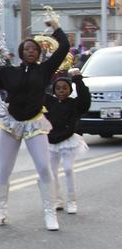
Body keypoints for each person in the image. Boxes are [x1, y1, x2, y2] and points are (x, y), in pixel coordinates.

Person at [0, 23, 70, 230]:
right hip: (11, 123)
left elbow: (63, 48)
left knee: (44, 168)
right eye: (27, 48)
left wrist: (56, 28)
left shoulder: (45, 70)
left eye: (34, 49)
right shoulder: (9, 72)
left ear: (38, 54)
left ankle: (50, 213)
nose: (30, 51)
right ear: (21, 52)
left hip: (34, 122)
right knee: (4, 170)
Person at [45, 71, 90, 215]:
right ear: (54, 90)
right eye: (58, 88)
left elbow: (85, 100)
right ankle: (57, 200)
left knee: (68, 169)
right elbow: (35, 92)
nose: (61, 91)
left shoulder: (74, 104)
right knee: (51, 172)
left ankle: (72, 201)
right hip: (51, 141)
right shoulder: (49, 102)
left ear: (70, 90)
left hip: (68, 141)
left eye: (65, 88)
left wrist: (78, 80)